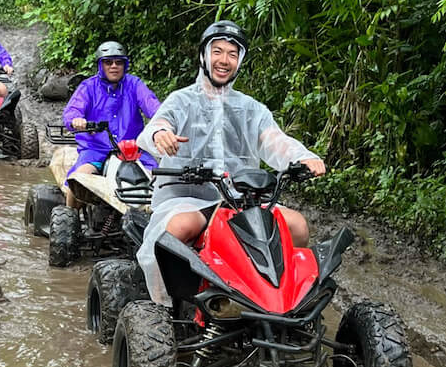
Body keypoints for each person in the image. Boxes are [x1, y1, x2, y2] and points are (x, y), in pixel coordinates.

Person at [135, 20, 325, 304]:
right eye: (218, 51)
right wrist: (161, 134)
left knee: (297, 225)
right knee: (179, 229)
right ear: (204, 56)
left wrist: (302, 156)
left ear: (240, 61)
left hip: (241, 200)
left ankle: (284, 301)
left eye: (232, 54)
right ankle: (166, 309)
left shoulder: (252, 108)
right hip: (189, 197)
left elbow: (274, 140)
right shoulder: (181, 100)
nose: (224, 60)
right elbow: (158, 125)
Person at [62, 41, 161, 194]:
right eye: (108, 62)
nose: (114, 66)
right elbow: (73, 110)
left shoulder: (134, 84)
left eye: (118, 62)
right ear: (100, 65)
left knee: (160, 180)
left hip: (133, 150)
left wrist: (163, 121)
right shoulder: (88, 87)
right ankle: (69, 214)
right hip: (96, 149)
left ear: (125, 65)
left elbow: (152, 105)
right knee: (78, 180)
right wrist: (76, 120)